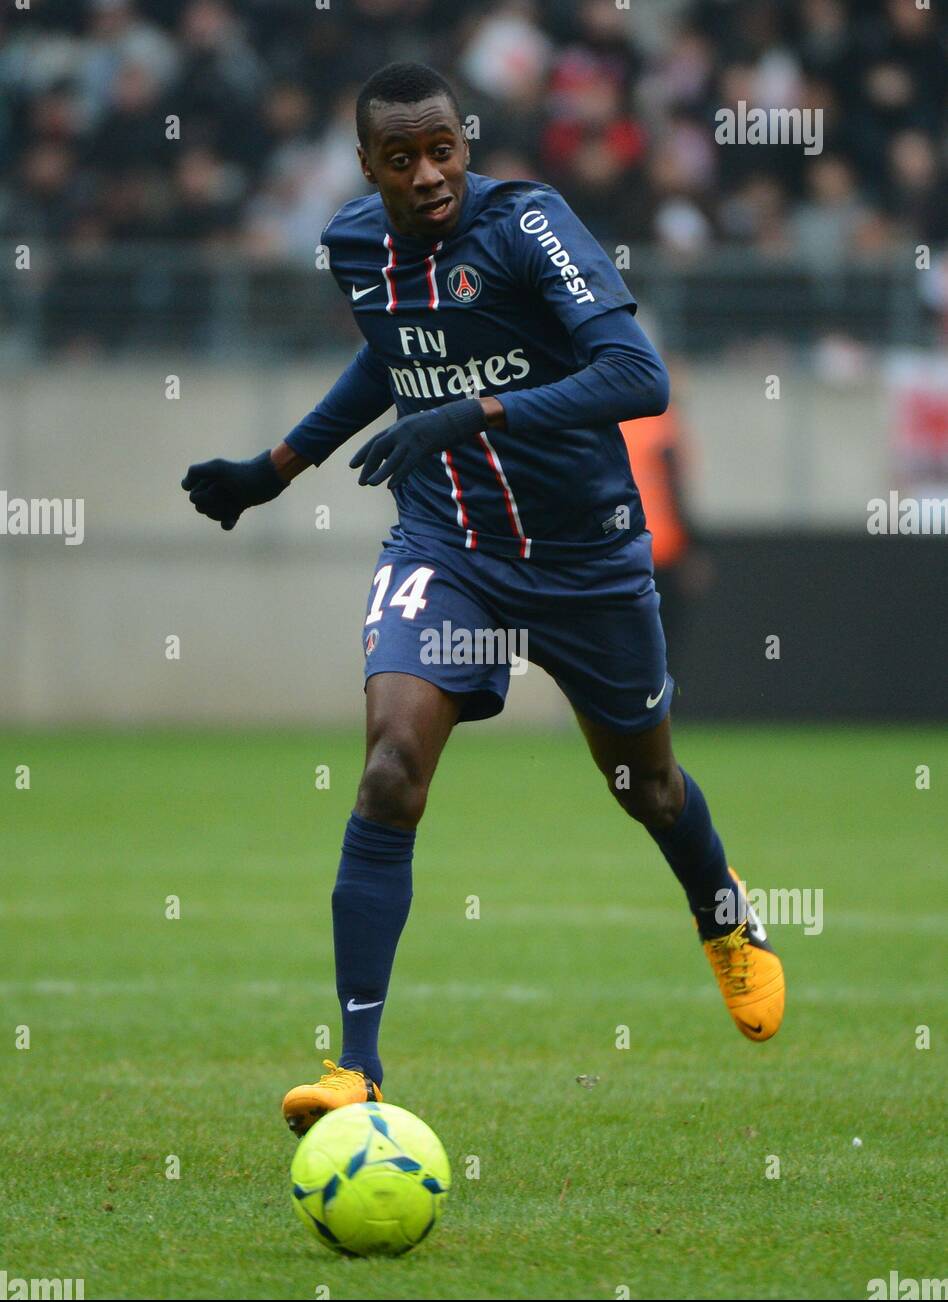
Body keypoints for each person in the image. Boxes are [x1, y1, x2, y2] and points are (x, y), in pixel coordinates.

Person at [181, 63, 785, 1138]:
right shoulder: (353, 245)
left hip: (587, 557)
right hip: (447, 545)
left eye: (444, 149)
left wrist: (475, 410)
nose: (429, 175)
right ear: (366, 167)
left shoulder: (529, 225)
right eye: (402, 159)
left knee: (643, 786)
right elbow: (389, 356)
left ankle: (722, 910)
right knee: (389, 770)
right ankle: (356, 1069)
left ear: (469, 141)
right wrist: (274, 468)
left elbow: (636, 375)